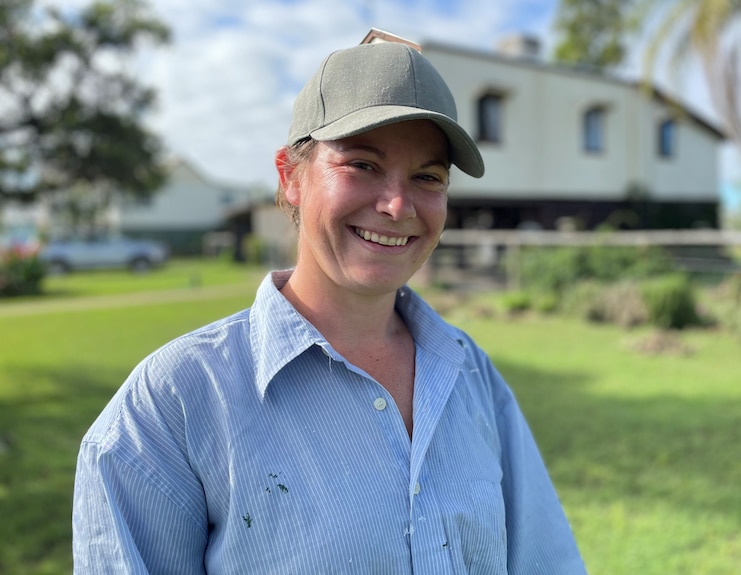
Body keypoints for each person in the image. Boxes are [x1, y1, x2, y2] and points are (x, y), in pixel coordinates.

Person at [73, 41, 588, 574]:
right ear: (290, 177)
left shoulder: (468, 371)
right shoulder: (170, 406)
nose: (397, 205)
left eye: (428, 177)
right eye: (362, 164)